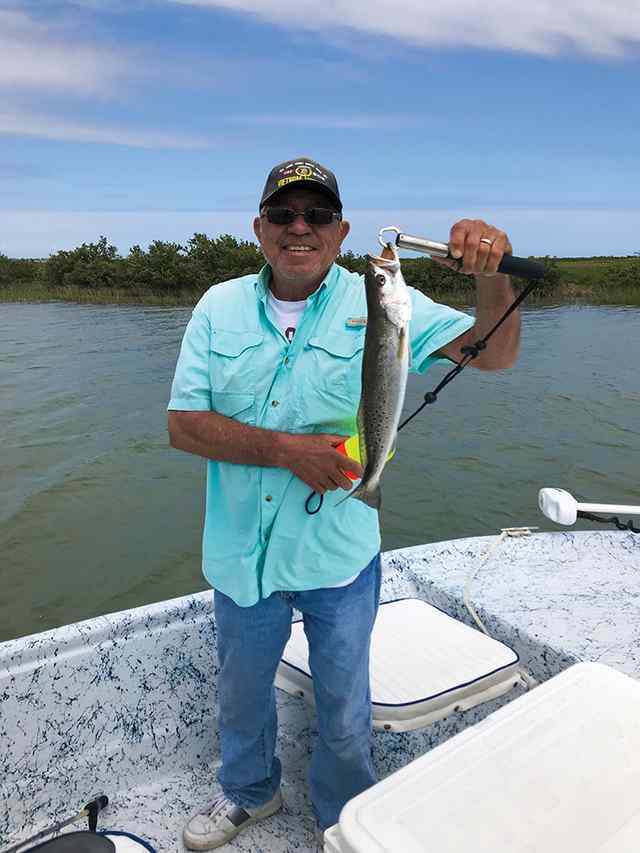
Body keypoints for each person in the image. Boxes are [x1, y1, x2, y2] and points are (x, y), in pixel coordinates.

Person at [167, 157, 520, 850]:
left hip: (341, 553)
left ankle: (343, 816)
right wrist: (286, 450)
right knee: (242, 694)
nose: (300, 227)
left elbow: (495, 353)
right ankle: (249, 792)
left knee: (345, 706)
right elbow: (183, 425)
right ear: (260, 228)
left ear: (342, 230)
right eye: (284, 214)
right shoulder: (218, 306)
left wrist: (490, 273)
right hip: (243, 556)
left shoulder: (384, 299)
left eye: (318, 215)